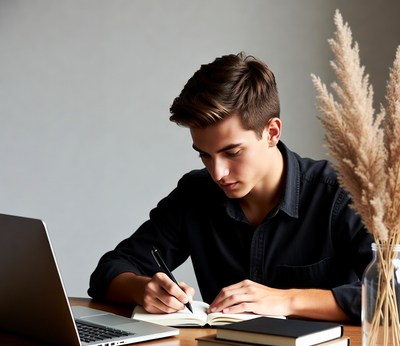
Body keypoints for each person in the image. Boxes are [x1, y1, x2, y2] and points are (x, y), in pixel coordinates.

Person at [88, 52, 373, 324]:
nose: (218, 173)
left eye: (232, 152)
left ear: (271, 132)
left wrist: (287, 301)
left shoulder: (340, 193)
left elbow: (393, 293)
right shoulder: (195, 193)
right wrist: (142, 289)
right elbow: (109, 270)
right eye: (204, 155)